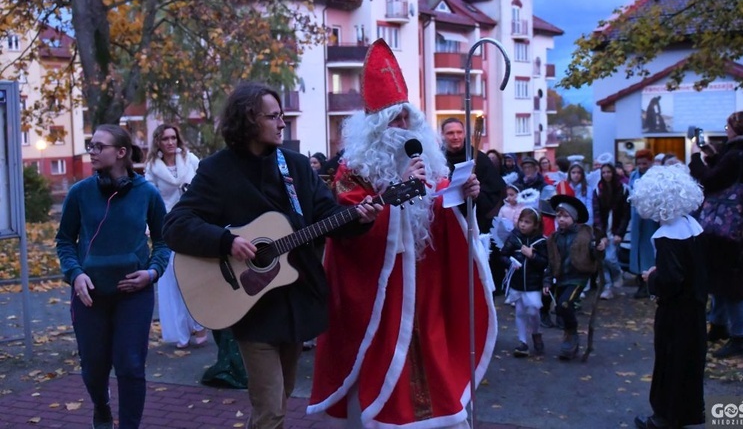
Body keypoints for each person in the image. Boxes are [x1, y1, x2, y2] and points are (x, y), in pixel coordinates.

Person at [163, 82, 382, 429]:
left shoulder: (294, 166)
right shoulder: (217, 170)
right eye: (274, 117)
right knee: (271, 410)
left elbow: (326, 217)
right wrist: (225, 241)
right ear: (248, 120)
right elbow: (175, 225)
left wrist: (358, 218)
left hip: (297, 303)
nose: (282, 124)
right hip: (252, 305)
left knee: (279, 401)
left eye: (282, 116)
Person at [308, 39, 496, 428]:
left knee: (432, 346)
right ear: (376, 127)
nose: (403, 128)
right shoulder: (353, 169)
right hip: (382, 287)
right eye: (394, 120)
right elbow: (349, 229)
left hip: (426, 282)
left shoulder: (427, 159)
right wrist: (392, 196)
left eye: (407, 119)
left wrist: (464, 196)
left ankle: (437, 415)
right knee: (384, 352)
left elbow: (443, 211)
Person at [56, 124, 170, 429]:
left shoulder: (147, 193)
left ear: (121, 152)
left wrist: (152, 272)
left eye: (98, 147)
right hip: (89, 295)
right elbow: (65, 240)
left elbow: (163, 241)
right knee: (93, 369)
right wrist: (75, 274)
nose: (91, 152)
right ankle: (102, 405)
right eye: (90, 146)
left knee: (131, 366)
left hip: (135, 295)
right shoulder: (80, 193)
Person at [630, 165, 707, 429]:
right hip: (695, 306)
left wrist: (651, 277)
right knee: (690, 361)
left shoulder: (667, 236)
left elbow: (672, 279)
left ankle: (665, 416)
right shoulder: (691, 225)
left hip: (675, 311)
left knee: (670, 360)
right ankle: (689, 412)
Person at [689, 110, 743, 358]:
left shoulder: (738, 153)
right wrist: (713, 157)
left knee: (732, 282)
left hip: (727, 224)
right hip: (732, 222)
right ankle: (719, 326)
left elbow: (711, 181)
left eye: (728, 125)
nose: (725, 129)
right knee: (719, 276)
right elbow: (725, 175)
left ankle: (739, 337)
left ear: (737, 128)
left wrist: (695, 160)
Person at [144, 124, 206, 349]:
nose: (170, 142)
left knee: (194, 275)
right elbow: (149, 199)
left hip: (193, 222)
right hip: (167, 226)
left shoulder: (190, 160)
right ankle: (180, 331)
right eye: (165, 139)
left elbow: (204, 186)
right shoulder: (151, 167)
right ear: (158, 142)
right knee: (171, 279)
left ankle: (200, 324)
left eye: (173, 138)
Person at [543, 194, 606, 360]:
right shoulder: (554, 238)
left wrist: (599, 248)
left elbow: (595, 253)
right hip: (561, 277)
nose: (561, 219)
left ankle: (572, 334)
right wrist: (547, 280)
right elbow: (551, 261)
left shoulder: (585, 234)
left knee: (564, 304)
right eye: (559, 216)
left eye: (565, 216)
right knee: (560, 308)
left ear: (574, 218)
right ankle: (569, 339)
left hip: (578, 277)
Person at [441, 117, 505, 234]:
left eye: (459, 132)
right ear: (443, 135)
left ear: (464, 134)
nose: (456, 137)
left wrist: (476, 194)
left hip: (475, 224)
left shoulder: (480, 158)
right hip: (445, 222)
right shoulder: (437, 159)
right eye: (450, 133)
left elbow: (495, 192)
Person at [499, 208, 548, 357]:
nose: (523, 225)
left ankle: (536, 332)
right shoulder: (513, 237)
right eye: (521, 221)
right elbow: (503, 256)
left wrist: (532, 256)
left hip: (533, 284)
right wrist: (510, 263)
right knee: (520, 312)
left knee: (533, 309)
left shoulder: (541, 241)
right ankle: (522, 342)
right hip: (517, 282)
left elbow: (545, 262)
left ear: (535, 225)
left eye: (527, 222)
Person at [592, 162, 631, 300]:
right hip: (603, 230)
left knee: (611, 258)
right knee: (602, 259)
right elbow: (596, 214)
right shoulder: (598, 190)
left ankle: (617, 274)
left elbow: (626, 214)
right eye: (604, 172)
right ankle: (608, 286)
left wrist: (620, 233)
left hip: (615, 230)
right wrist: (601, 235)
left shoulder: (623, 189)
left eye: (609, 172)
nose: (606, 175)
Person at [629, 149, 660, 299]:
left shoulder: (655, 176)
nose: (641, 166)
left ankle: (650, 282)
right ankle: (641, 278)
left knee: (649, 250)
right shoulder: (633, 176)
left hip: (651, 219)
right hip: (637, 218)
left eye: (645, 163)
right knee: (638, 250)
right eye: (639, 163)